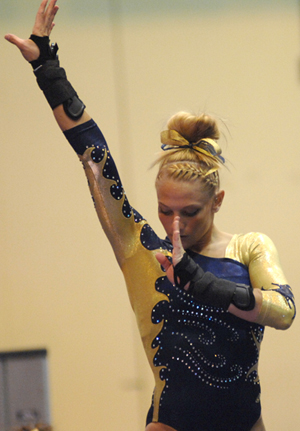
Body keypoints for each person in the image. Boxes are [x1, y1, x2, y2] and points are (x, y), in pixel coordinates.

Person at [5, 1, 296, 430]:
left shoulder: (250, 248)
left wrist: (205, 285)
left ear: (217, 201)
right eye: (164, 210)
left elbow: (284, 311)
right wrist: (48, 70)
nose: (175, 224)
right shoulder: (141, 249)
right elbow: (94, 156)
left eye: (191, 211)